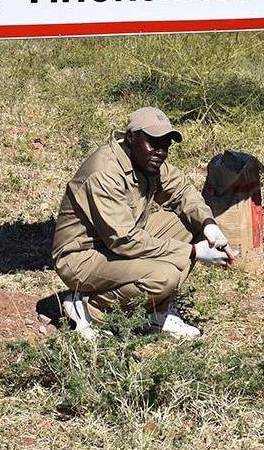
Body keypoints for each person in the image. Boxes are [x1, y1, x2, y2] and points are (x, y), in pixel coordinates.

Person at [52, 106, 232, 340]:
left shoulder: (146, 159)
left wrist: (209, 225)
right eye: (153, 142)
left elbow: (182, 191)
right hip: (83, 257)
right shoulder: (104, 172)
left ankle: (154, 311)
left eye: (166, 145)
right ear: (131, 137)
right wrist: (193, 251)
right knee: (164, 277)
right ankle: (89, 307)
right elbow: (125, 241)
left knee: (194, 225)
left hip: (117, 242)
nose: (161, 151)